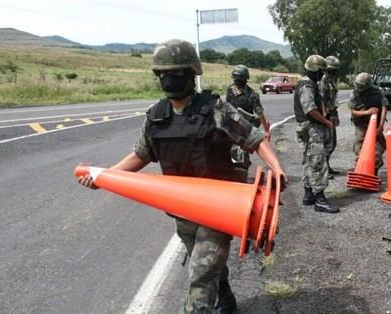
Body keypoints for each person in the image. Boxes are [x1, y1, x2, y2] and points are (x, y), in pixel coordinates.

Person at [76, 39, 287, 314]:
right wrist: (103, 177)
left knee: (200, 278)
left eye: (174, 73)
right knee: (208, 265)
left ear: (190, 74)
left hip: (221, 210)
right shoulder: (156, 117)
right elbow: (140, 155)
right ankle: (225, 297)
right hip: (183, 213)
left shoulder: (216, 109)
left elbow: (255, 139)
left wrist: (277, 168)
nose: (168, 78)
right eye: (163, 73)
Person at [295, 54, 339, 214]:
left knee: (309, 161)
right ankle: (320, 199)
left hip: (308, 128)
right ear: (314, 70)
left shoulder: (310, 84)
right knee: (317, 162)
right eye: (320, 71)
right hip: (311, 128)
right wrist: (326, 122)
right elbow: (310, 109)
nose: (322, 74)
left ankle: (308, 195)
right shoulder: (307, 86)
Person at [225, 64, 270, 180]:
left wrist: (266, 130)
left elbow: (259, 113)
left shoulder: (252, 95)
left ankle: (242, 178)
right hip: (230, 127)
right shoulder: (230, 90)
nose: (237, 81)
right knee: (227, 154)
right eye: (235, 78)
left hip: (244, 129)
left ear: (245, 79)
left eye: (239, 78)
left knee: (242, 155)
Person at [348, 72, 388, 177]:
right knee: (360, 149)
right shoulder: (354, 93)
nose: (359, 87)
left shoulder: (378, 92)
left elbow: (384, 107)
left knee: (377, 149)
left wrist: (381, 126)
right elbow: (353, 111)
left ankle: (373, 172)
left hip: (375, 125)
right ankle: (360, 172)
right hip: (361, 125)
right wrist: (367, 112)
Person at [320, 55, 341, 179]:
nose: (333, 72)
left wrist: (335, 114)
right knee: (325, 144)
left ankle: (327, 166)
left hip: (332, 113)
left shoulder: (332, 80)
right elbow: (322, 99)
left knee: (332, 143)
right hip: (326, 115)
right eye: (331, 70)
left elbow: (333, 99)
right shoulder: (322, 81)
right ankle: (323, 170)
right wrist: (325, 117)